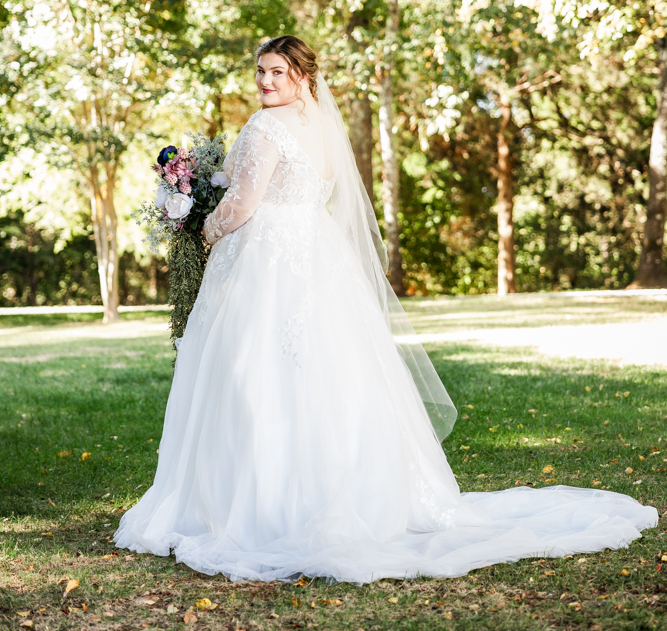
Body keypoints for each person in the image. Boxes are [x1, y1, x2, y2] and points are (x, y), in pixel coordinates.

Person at [115, 35, 656, 582]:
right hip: (316, 254)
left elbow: (244, 202)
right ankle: (353, 495)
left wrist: (200, 228)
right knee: (327, 372)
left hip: (267, 260)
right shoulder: (323, 129)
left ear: (302, 76)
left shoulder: (262, 127)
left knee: (252, 368)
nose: (264, 82)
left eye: (277, 72)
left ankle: (256, 506)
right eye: (260, 72)